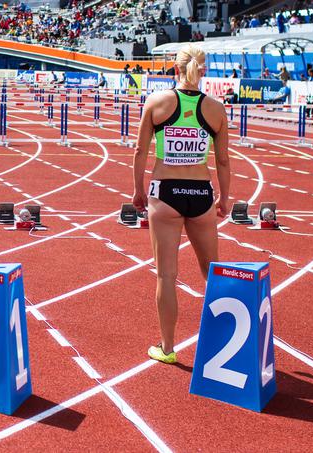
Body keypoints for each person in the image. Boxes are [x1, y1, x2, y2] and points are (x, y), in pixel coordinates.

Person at [132, 43, 230, 364]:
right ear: (202, 71)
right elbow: (224, 161)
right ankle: (228, 339)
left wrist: (138, 191)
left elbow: (139, 152)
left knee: (166, 276)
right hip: (201, 193)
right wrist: (224, 198)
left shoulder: (157, 102)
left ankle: (167, 348)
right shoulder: (216, 109)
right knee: (212, 271)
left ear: (175, 68)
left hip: (166, 193)